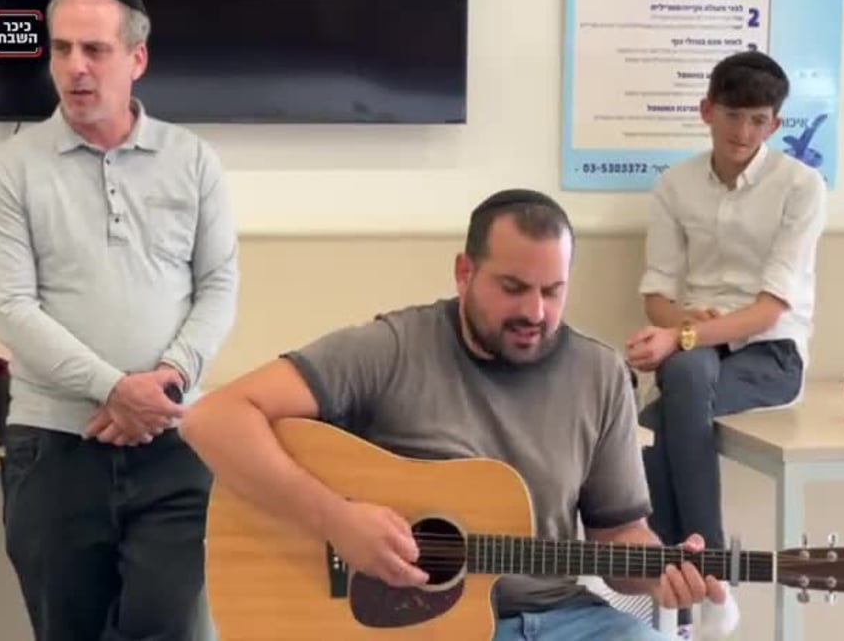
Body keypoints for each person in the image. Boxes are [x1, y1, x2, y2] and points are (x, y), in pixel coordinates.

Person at [178, 188, 727, 641]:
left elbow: (618, 535)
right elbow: (212, 419)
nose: (534, 312)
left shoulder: (600, 374)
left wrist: (660, 573)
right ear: (465, 273)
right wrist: (337, 521)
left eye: (553, 291)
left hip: (563, 618)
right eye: (513, 288)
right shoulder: (393, 348)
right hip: (422, 627)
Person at [0, 0, 238, 641]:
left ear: (136, 58)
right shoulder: (10, 169)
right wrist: (116, 390)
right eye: (61, 49)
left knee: (169, 624)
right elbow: (14, 309)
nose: (75, 68)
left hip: (175, 443)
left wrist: (164, 384)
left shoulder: (194, 161)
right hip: (55, 449)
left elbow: (218, 284)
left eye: (94, 50)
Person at [626, 50, 827, 637]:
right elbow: (657, 296)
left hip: (772, 353)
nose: (743, 132)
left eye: (758, 120)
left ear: (776, 123)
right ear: (706, 110)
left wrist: (682, 335)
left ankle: (701, 582)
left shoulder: (802, 187)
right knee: (666, 401)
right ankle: (699, 594)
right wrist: (682, 322)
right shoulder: (675, 185)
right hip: (699, 346)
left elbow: (769, 310)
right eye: (733, 115)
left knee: (662, 409)